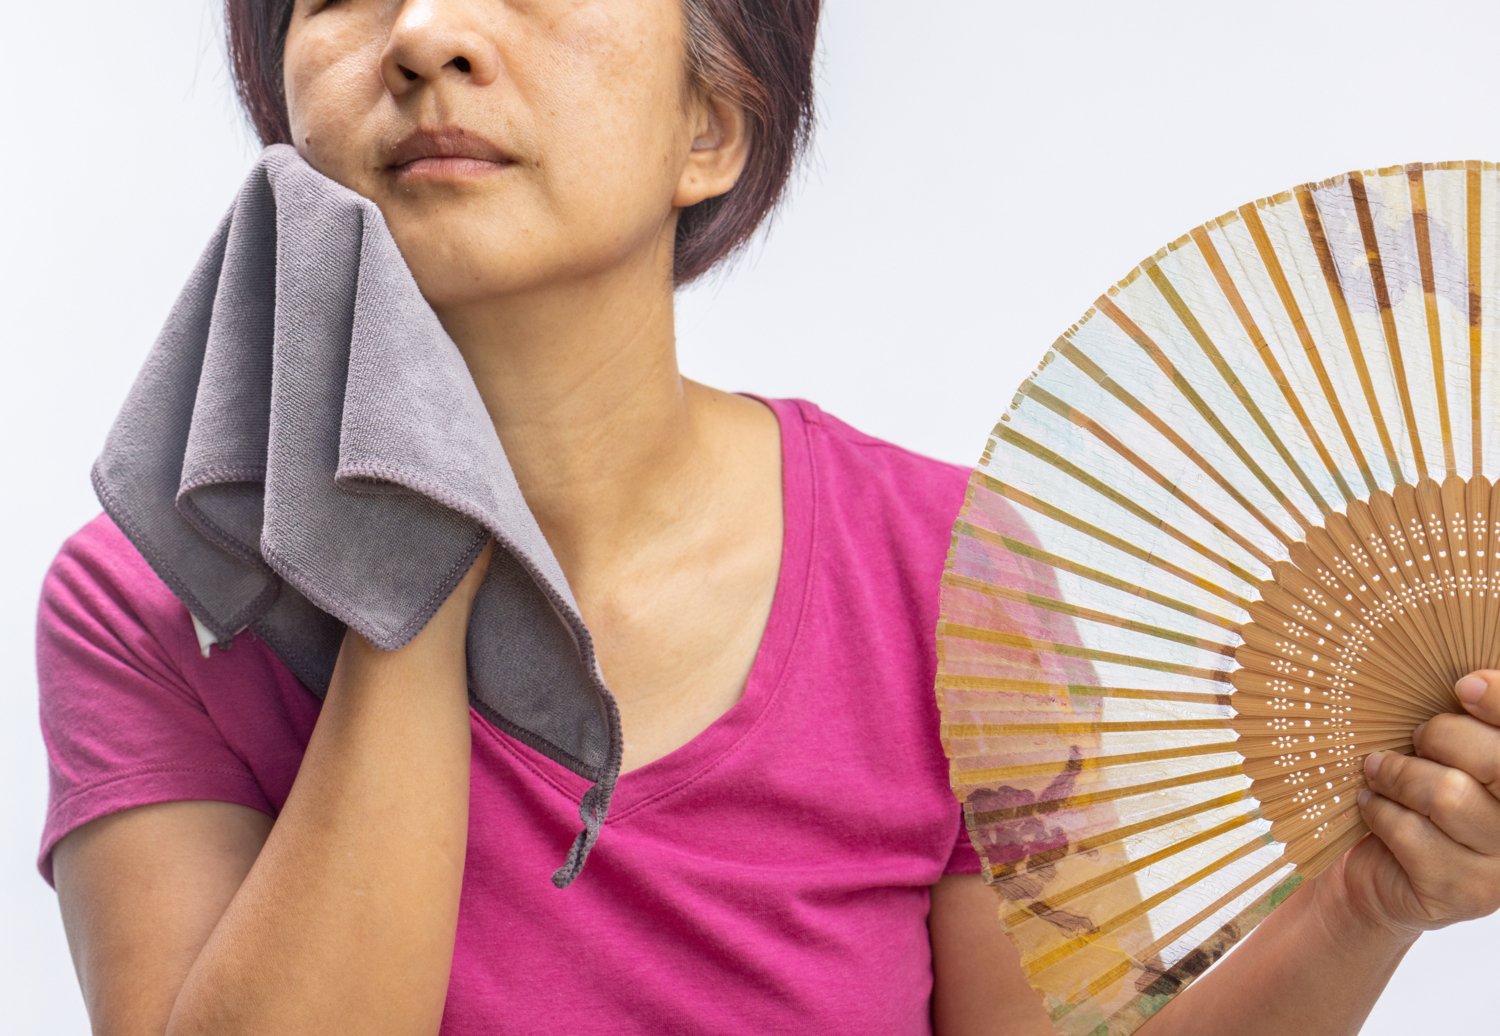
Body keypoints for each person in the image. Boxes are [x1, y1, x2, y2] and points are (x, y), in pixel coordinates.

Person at [33, 1, 1500, 1034]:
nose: (424, 32)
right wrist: (401, 553)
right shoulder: (153, 602)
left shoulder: (943, 575)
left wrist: (1366, 903)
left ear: (712, 127)